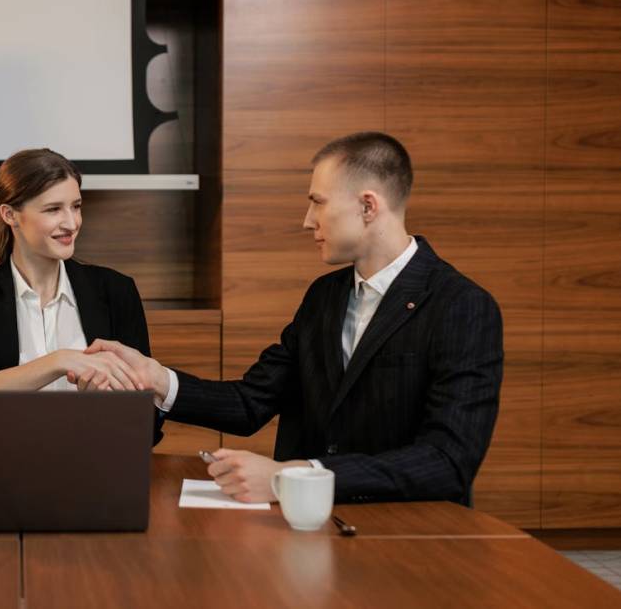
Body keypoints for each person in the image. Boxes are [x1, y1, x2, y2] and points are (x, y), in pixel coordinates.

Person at [84, 132, 503, 504]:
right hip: (308, 528)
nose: (307, 221)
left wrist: (294, 477)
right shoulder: (325, 296)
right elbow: (252, 402)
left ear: (368, 206)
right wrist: (157, 378)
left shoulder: (461, 305)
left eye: (317, 202)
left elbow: (447, 462)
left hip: (412, 536)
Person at [0, 148, 163, 439]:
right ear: (10, 215)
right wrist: (59, 361)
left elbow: (149, 420)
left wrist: (110, 401)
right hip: (0, 464)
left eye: (77, 206)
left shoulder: (116, 290)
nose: (71, 223)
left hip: (95, 461)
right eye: (53, 209)